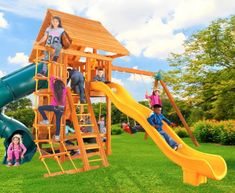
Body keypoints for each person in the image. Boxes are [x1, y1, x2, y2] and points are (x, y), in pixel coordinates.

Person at [38, 76, 66, 141]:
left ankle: (46, 120)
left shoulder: (53, 89)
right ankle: (57, 136)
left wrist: (54, 78)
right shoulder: (65, 89)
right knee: (58, 122)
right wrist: (58, 79)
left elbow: (51, 79)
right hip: (61, 109)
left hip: (54, 107)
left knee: (40, 108)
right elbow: (61, 80)